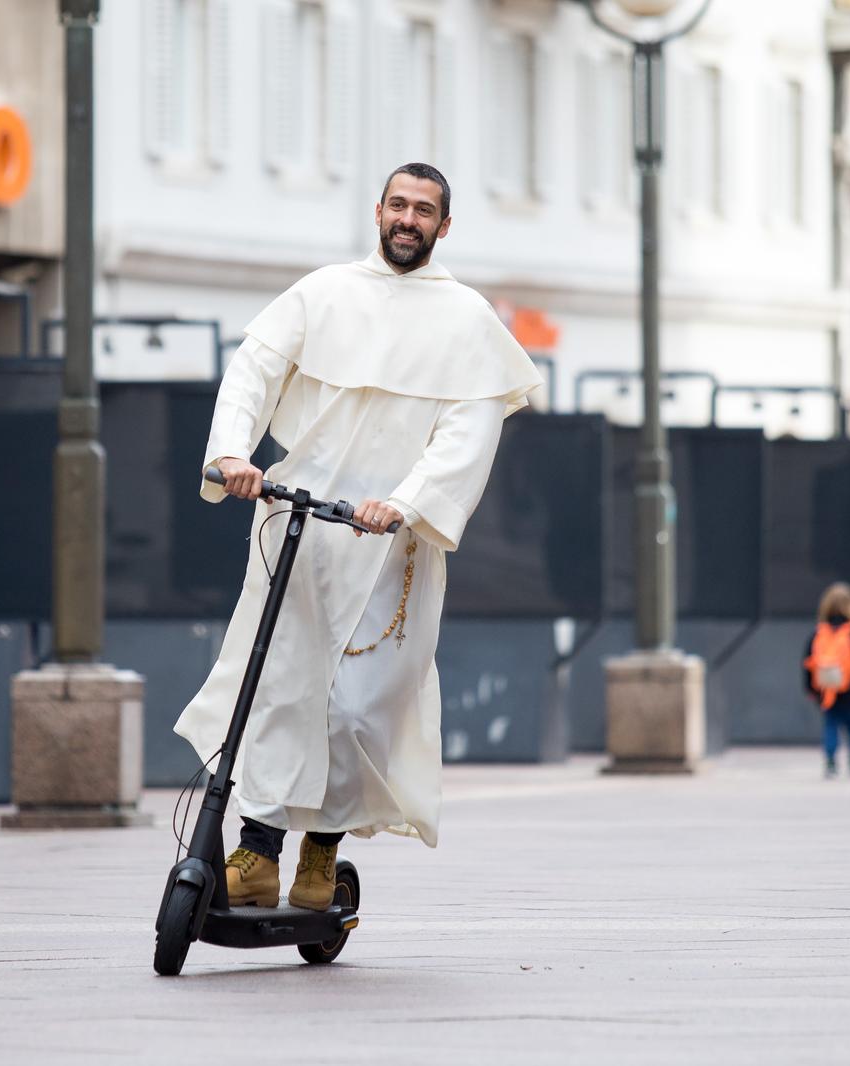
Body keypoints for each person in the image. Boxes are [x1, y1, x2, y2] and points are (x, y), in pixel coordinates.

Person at [174, 163, 542, 909]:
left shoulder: (468, 320)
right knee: (279, 688)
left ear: (444, 226)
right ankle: (257, 848)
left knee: (357, 708)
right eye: (398, 205)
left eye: (425, 210)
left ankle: (322, 852)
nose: (408, 219)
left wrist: (404, 503)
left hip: (390, 549)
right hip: (299, 531)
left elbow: (465, 439)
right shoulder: (323, 293)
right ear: (378, 211)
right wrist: (232, 454)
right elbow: (254, 370)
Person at [802, 582, 850, 778]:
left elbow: (808, 663)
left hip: (827, 690)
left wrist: (810, 689)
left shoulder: (818, 633)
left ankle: (830, 761)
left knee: (831, 724)